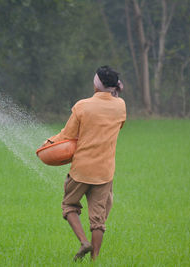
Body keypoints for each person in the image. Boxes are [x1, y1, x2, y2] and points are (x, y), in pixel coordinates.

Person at [44, 66, 126, 261]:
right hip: (104, 172)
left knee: (69, 205)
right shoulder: (120, 106)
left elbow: (67, 136)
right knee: (98, 220)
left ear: (96, 84)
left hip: (81, 170)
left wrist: (48, 144)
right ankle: (94, 260)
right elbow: (119, 124)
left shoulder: (82, 106)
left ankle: (84, 242)